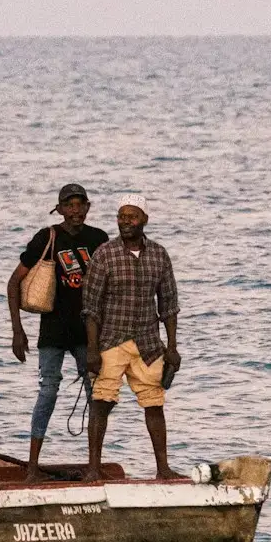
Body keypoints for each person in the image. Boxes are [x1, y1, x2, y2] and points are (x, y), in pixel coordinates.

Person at [7, 183, 109, 482]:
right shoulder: (47, 237)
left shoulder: (98, 239)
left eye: (80, 204)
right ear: (60, 209)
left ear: (88, 207)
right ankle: (32, 467)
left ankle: (94, 467)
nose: (75, 210)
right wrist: (17, 330)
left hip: (88, 332)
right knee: (47, 392)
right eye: (69, 205)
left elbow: (110, 286)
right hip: (53, 328)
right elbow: (14, 283)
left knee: (97, 395)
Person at [81, 195, 183, 481]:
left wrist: (172, 347)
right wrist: (91, 349)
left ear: (144, 220)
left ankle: (163, 469)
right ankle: (93, 468)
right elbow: (90, 307)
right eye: (121, 216)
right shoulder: (105, 254)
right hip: (111, 340)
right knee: (101, 402)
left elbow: (169, 304)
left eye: (131, 216)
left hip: (148, 343)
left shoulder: (159, 255)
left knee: (154, 404)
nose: (125, 221)